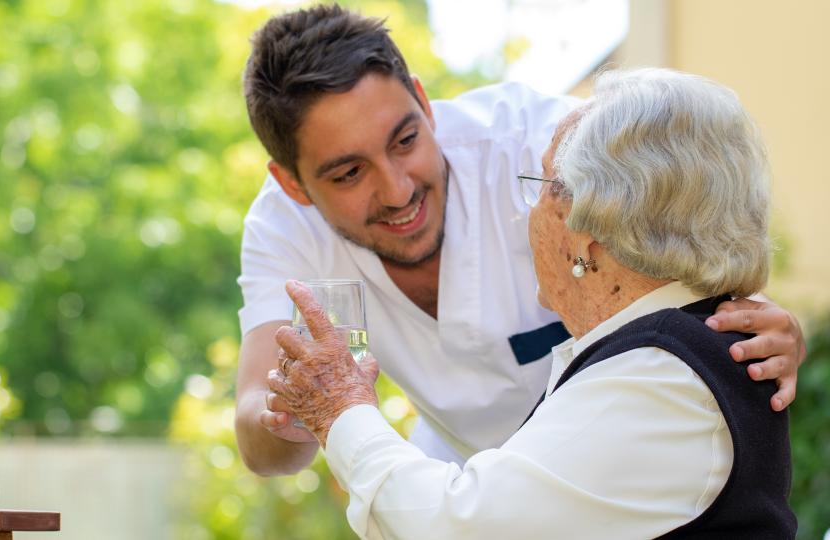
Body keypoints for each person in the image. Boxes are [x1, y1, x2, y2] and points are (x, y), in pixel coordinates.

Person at [235, 4, 806, 475]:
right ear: (292, 183)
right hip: (466, 478)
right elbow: (257, 437)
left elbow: (693, 242)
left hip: (618, 464)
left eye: (405, 140)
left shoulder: (542, 149)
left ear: (423, 101)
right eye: (348, 174)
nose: (397, 188)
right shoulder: (281, 231)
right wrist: (294, 414)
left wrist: (765, 325)